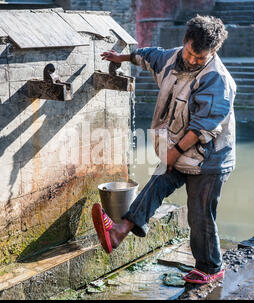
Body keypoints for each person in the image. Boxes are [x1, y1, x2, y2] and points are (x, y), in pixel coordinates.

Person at [92, 15, 236, 284]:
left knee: (200, 213)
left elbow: (203, 127)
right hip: (177, 150)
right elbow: (148, 56)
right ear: (184, 43)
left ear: (213, 53)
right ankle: (118, 232)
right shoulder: (170, 58)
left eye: (200, 58)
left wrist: (173, 153)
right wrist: (121, 59)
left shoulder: (217, 80)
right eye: (191, 53)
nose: (193, 61)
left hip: (209, 159)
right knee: (155, 184)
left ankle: (210, 268)